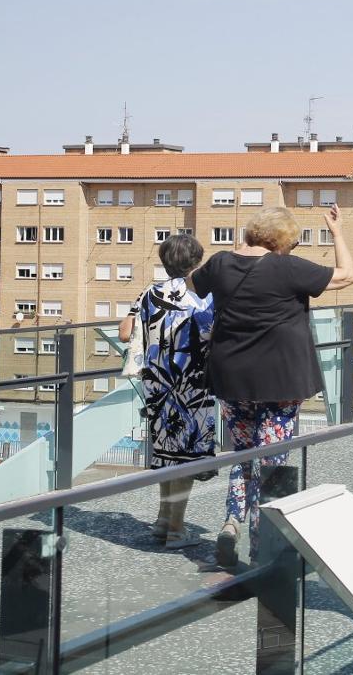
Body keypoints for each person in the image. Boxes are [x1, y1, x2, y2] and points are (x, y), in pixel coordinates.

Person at [189, 204, 353, 567]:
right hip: (280, 379)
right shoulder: (287, 267)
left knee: (243, 454)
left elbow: (192, 283)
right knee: (272, 462)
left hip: (231, 376)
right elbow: (346, 276)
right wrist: (337, 232)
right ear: (282, 241)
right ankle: (263, 549)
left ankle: (232, 522)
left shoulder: (220, 262)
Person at [118, 234, 216, 549]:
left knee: (165, 452)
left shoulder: (149, 293)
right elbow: (209, 334)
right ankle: (176, 529)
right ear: (198, 260)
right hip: (192, 382)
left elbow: (125, 331)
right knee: (186, 457)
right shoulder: (203, 296)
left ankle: (162, 520)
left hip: (157, 381)